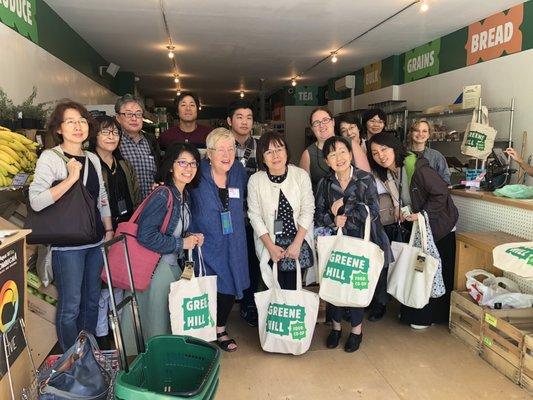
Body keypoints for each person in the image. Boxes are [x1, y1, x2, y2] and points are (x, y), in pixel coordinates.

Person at [29, 101, 113, 351]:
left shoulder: (92, 159)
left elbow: (102, 198)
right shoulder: (51, 158)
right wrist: (71, 178)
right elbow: (36, 201)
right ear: (59, 129)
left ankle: (86, 352)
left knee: (90, 301)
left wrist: (108, 230)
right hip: (67, 247)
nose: (78, 127)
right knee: (71, 306)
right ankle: (70, 359)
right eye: (71, 122)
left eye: (82, 121)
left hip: (95, 242)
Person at [368, 132, 458, 329]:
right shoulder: (392, 172)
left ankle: (432, 316)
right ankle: (418, 314)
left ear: (394, 147)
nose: (380, 155)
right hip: (422, 227)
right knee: (419, 269)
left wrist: (422, 214)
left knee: (432, 270)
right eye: (374, 153)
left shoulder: (416, 167)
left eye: (384, 149)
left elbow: (441, 192)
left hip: (439, 227)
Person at [122, 143, 204, 350]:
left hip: (171, 264)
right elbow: (145, 235)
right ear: (170, 166)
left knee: (168, 320)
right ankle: (155, 367)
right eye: (182, 162)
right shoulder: (163, 195)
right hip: (155, 269)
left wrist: (189, 237)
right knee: (158, 324)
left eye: (193, 163)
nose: (188, 168)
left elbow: (171, 228)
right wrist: (181, 243)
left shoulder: (184, 195)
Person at [315, 136, 392, 352]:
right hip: (337, 242)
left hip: (362, 240)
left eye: (342, 151)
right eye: (332, 154)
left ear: (350, 154)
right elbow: (318, 214)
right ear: (326, 160)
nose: (338, 157)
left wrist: (345, 209)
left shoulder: (365, 179)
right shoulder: (325, 183)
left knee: (357, 285)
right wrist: (333, 219)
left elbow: (374, 212)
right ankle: (337, 328)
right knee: (335, 283)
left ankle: (357, 331)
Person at [190, 128, 249, 352]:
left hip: (234, 240)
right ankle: (203, 331)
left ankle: (220, 329)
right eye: (221, 149)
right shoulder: (197, 173)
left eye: (231, 149)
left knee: (228, 286)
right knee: (207, 285)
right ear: (209, 153)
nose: (227, 154)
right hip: (205, 241)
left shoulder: (238, 171)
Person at [87, 115, 141, 347]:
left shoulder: (124, 165)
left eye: (115, 133)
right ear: (94, 136)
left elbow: (136, 197)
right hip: (99, 233)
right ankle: (101, 337)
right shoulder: (89, 165)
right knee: (101, 286)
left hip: (124, 231)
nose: (111, 137)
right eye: (105, 132)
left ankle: (117, 333)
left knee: (119, 281)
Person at [248, 132, 315, 292]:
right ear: (262, 157)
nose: (275, 155)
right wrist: (270, 247)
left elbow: (308, 209)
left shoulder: (300, 175)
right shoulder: (256, 180)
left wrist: (297, 244)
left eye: (279, 149)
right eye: (269, 152)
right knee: (272, 290)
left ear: (286, 151)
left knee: (293, 289)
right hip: (269, 243)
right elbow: (254, 216)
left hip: (297, 242)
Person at [227, 99, 261, 327]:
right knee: (228, 257)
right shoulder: (222, 145)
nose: (244, 121)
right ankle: (227, 304)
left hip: (254, 213)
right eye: (239, 116)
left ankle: (249, 302)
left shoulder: (260, 146)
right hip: (228, 214)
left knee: (252, 258)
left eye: (249, 117)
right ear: (230, 121)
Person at [116, 94, 161, 200]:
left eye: (138, 114)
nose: (134, 118)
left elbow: (159, 171)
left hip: (151, 205)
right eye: (128, 114)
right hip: (127, 207)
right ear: (118, 118)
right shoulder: (114, 142)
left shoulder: (151, 140)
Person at [300, 107, 336, 193]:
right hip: (321, 205)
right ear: (312, 128)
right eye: (316, 123)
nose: (321, 125)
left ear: (333, 122)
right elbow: (304, 192)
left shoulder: (351, 144)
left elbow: (366, 179)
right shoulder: (307, 154)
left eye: (325, 120)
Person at [408, 119, 451, 184]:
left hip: (430, 194)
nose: (420, 134)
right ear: (411, 133)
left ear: (428, 135)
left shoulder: (436, 156)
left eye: (424, 131)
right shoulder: (403, 155)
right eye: (417, 130)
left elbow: (445, 180)